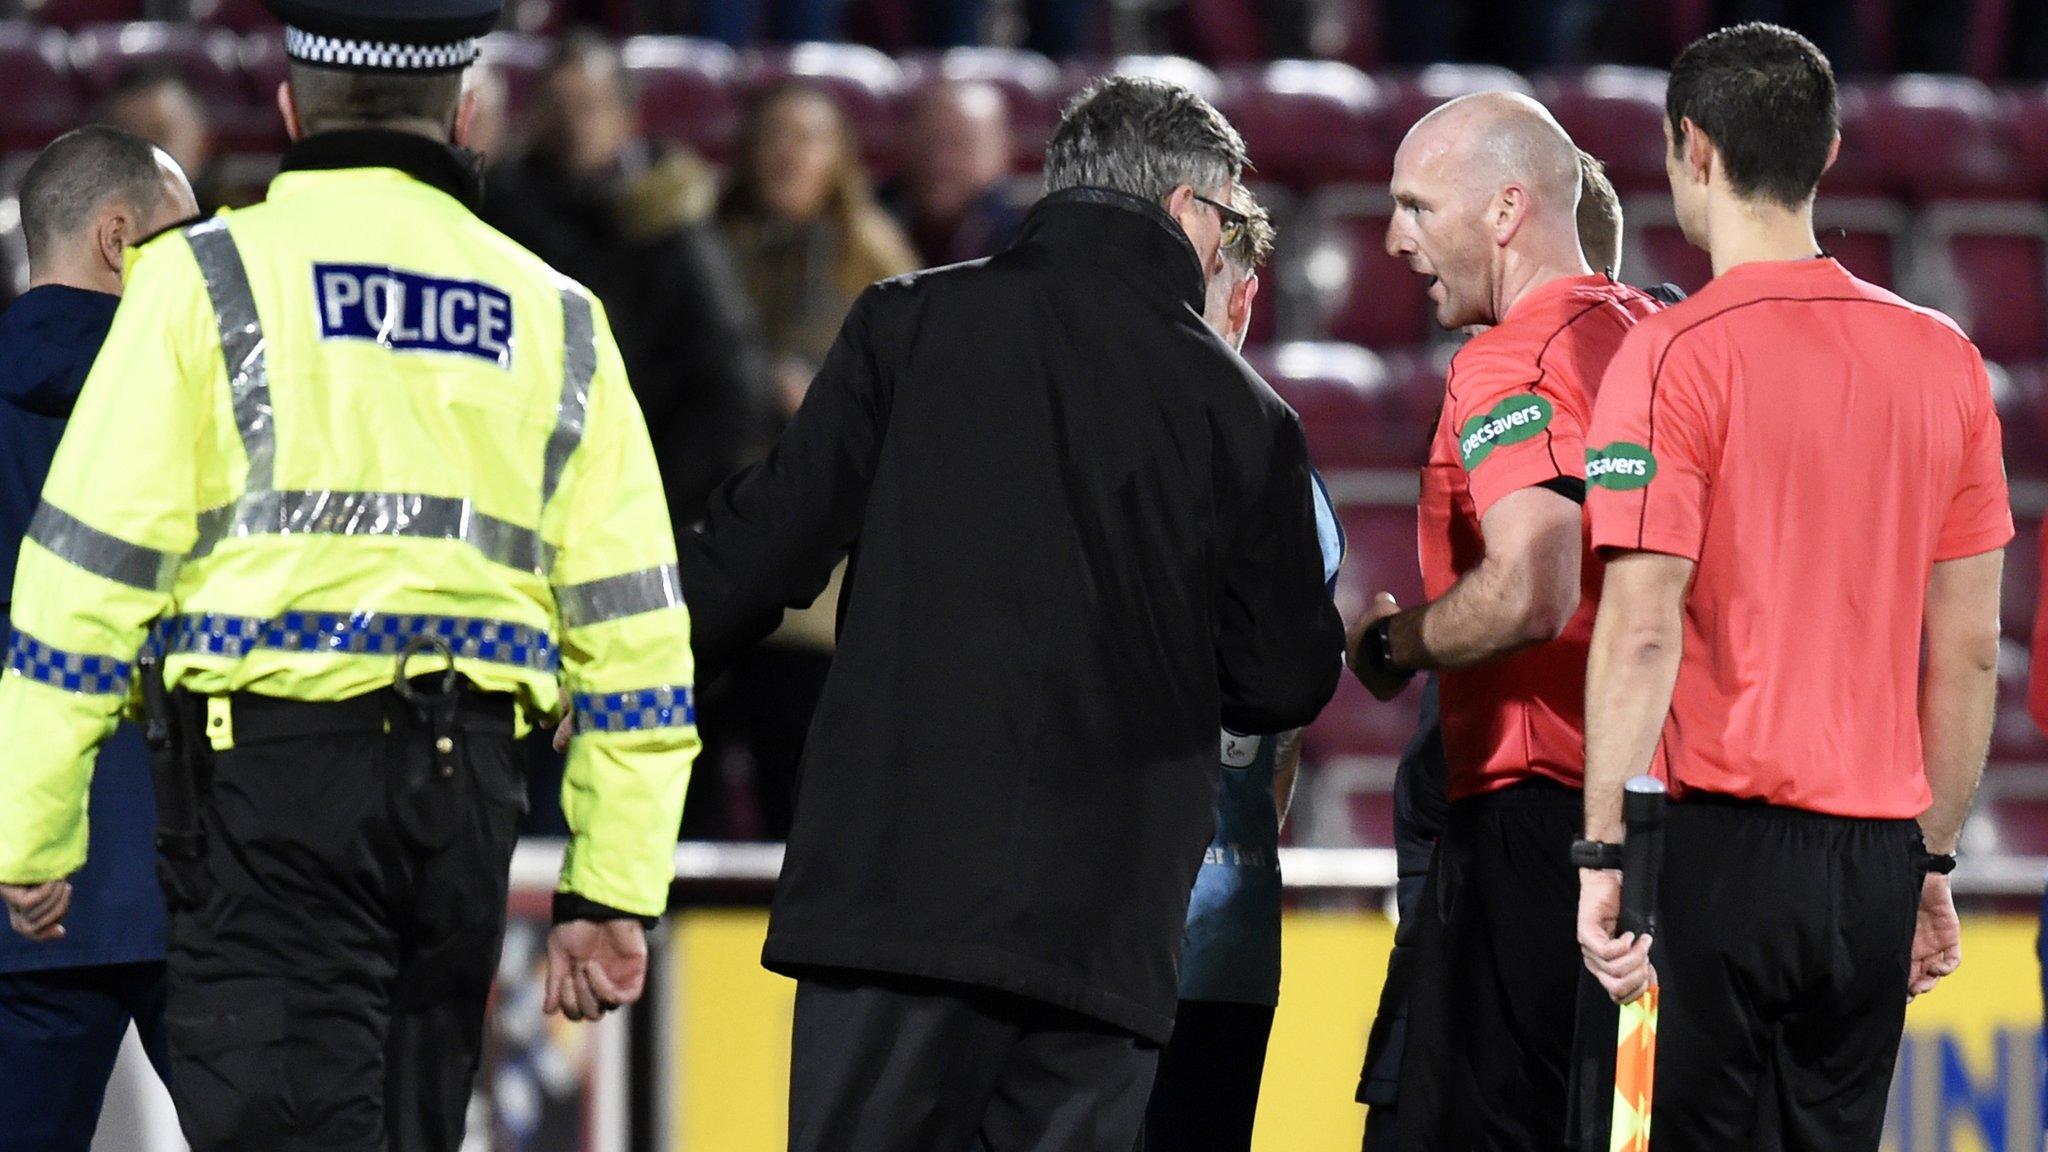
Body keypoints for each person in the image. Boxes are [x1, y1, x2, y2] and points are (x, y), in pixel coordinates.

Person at [0, 2, 700, 1148]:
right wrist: (611, 885)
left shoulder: (198, 284)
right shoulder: (559, 316)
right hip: (462, 803)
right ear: (464, 116)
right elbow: (636, 637)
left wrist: (27, 831)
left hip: (257, 797)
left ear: (287, 111)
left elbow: (82, 583)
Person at [676, 75, 1344, 1151]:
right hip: (1100, 945)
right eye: (1229, 222)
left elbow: (758, 555)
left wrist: (616, 662)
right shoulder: (1244, 415)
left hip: (892, 910)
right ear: (1185, 209)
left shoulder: (907, 320)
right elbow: (1283, 678)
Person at [1576, 24, 2008, 1152]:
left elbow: (1637, 629)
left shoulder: (1668, 355)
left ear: (1693, 150)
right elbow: (1964, 649)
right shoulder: (1946, 361)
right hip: (1871, 863)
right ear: (1822, 157)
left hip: (1715, 855)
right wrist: (1928, 857)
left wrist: (1602, 853)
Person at [1344, 92, 1661, 1152]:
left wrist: (1392, 648)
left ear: (1503, 210)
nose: (1392, 238)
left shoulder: (1512, 359)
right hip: (1657, 835)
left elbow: (1532, 585)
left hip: (1532, 827)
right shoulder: (1662, 343)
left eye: (1413, 205)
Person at [0, 126, 196, 1152]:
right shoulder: (213, 407)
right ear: (119, 239)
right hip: (199, 873)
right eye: (186, 239)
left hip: (20, 886)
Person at [1141, 185, 1344, 1152]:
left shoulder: (1113, 444)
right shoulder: (1288, 476)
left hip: (1132, 932)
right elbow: (1288, 729)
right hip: (1219, 924)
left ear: (1245, 297)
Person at [485, 32, 772, 533]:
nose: (575, 123)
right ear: (532, 117)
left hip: (643, 493)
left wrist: (653, 496)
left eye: (591, 105)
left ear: (627, 118)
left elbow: (731, 383)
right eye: (558, 105)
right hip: (513, 485)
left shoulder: (672, 225)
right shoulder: (496, 215)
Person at [884, 81, 1028, 267]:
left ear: (1005, 151)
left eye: (960, 145)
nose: (942, 160)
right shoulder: (864, 224)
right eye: (929, 143)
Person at [101, 66, 218, 213]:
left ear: (204, 143)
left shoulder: (239, 225)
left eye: (159, 134)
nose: (143, 151)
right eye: (127, 137)